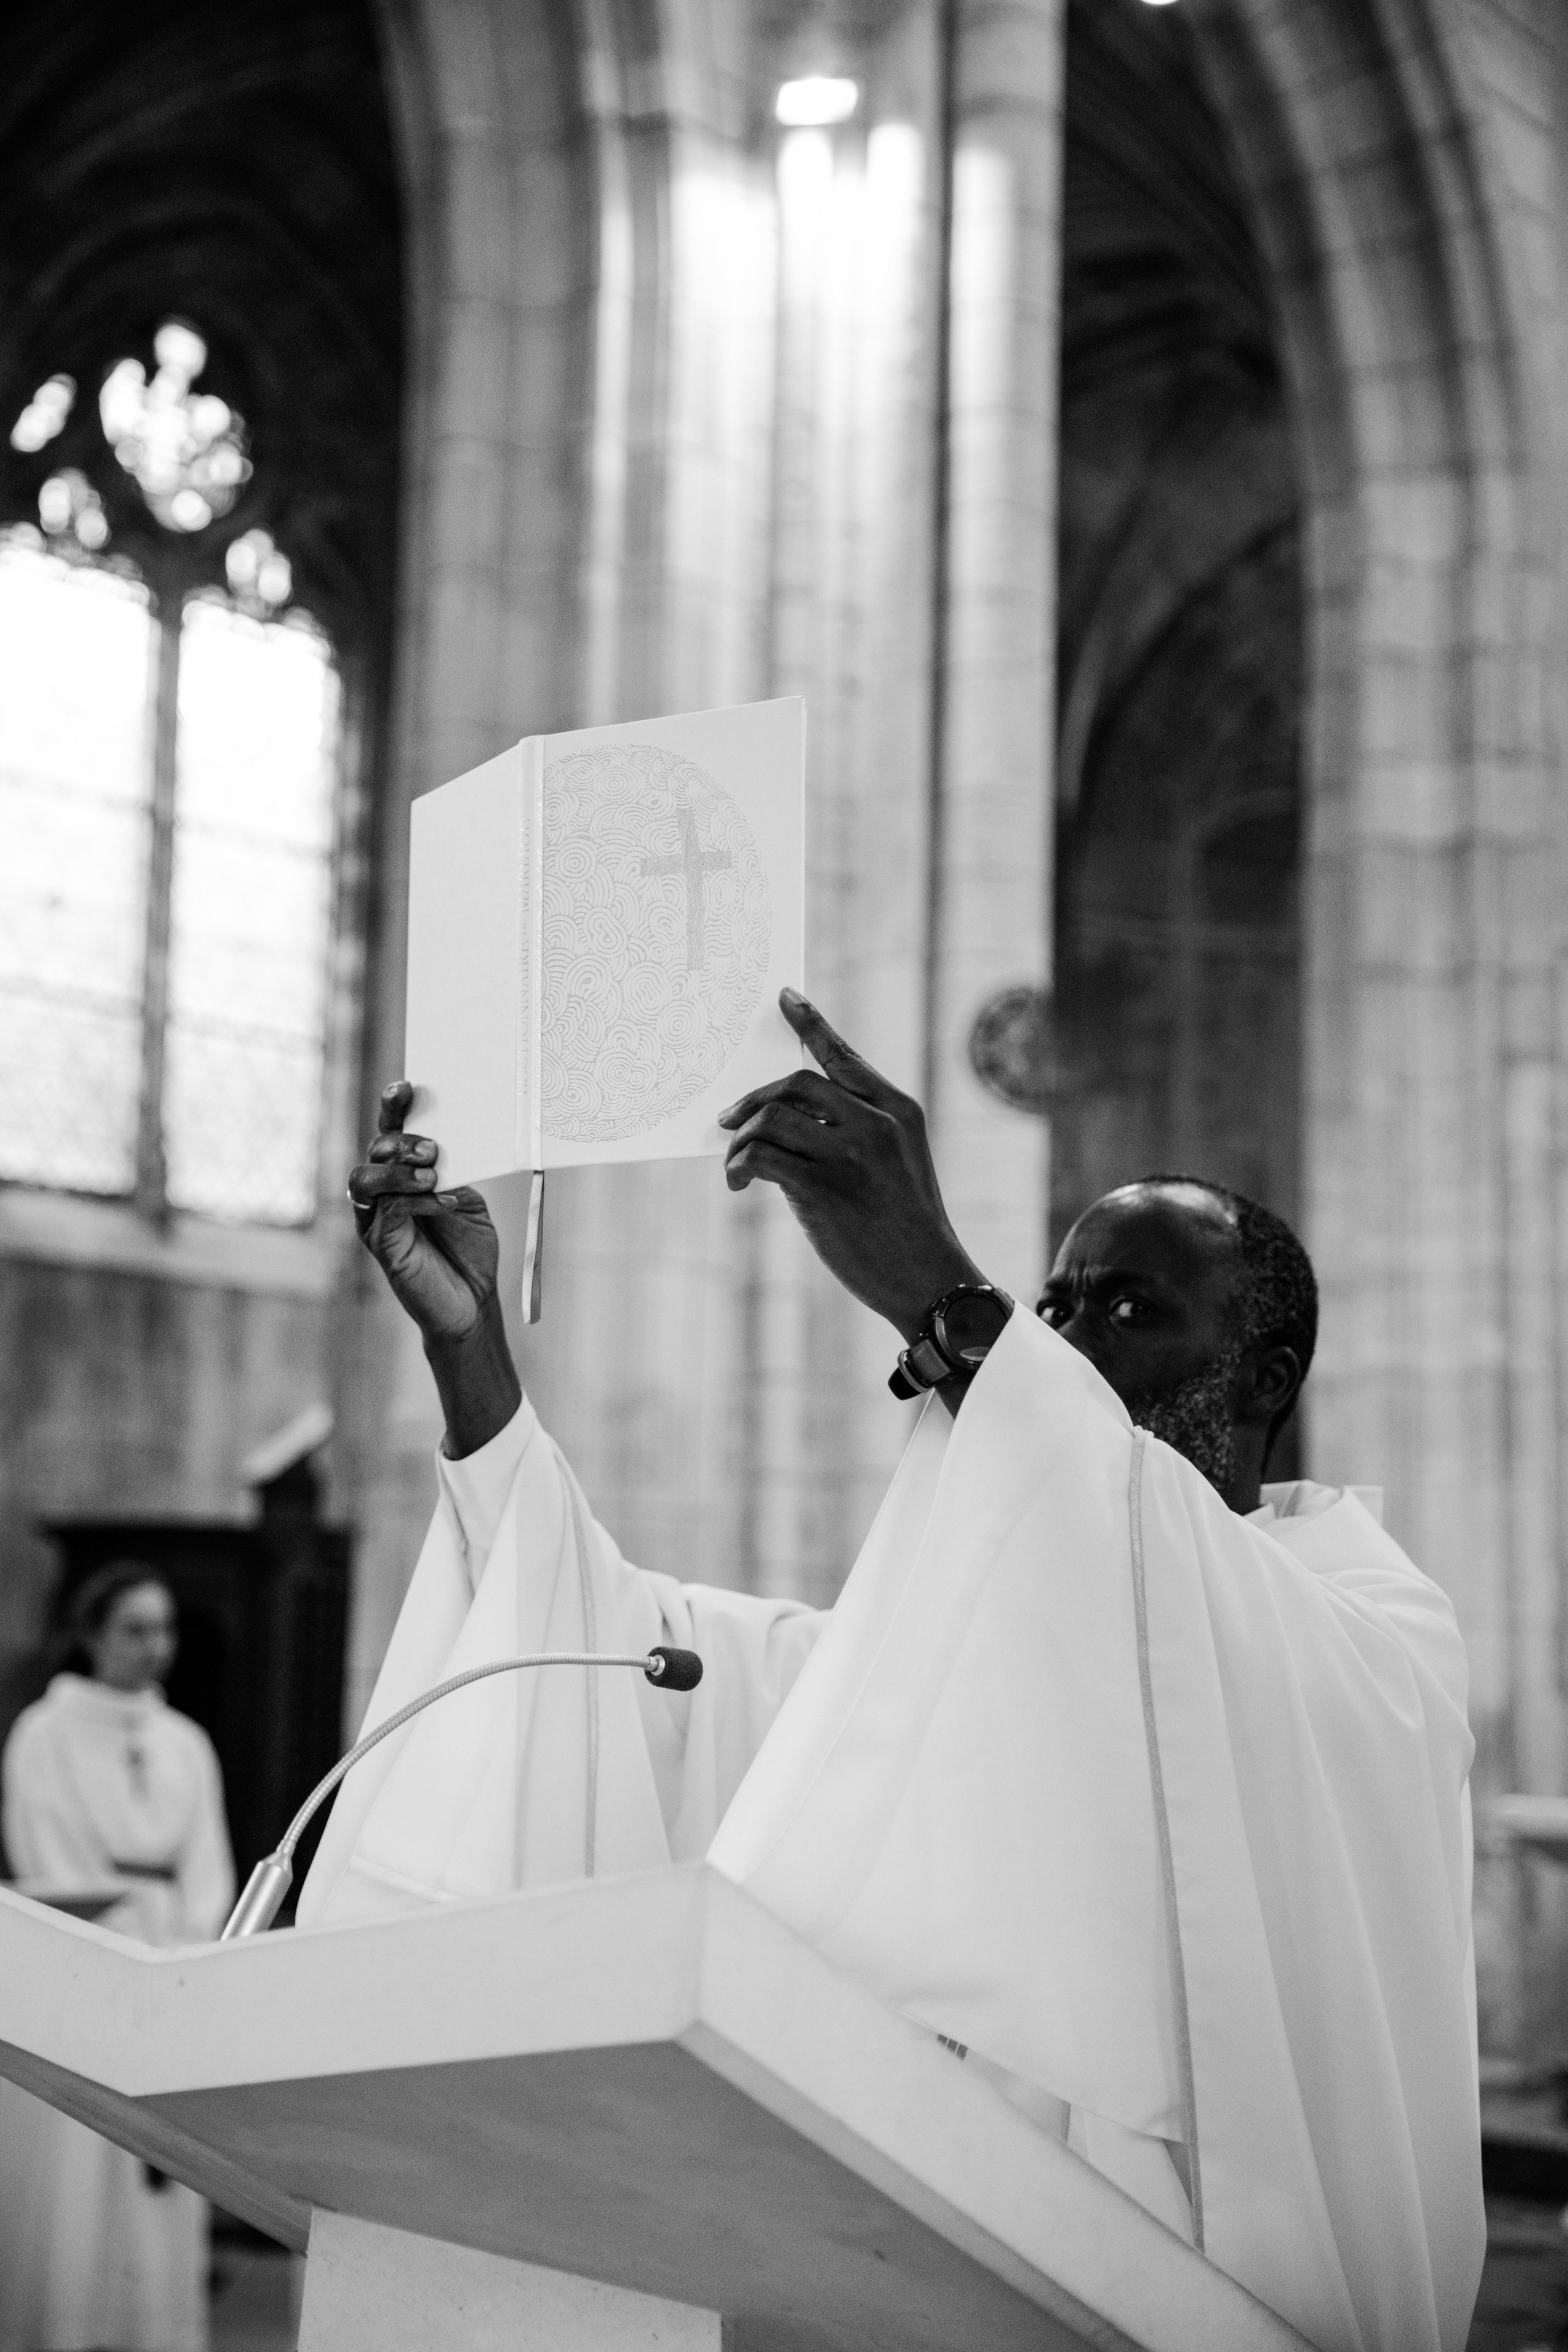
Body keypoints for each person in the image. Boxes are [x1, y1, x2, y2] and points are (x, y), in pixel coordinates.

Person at [303, 988, 1482, 2352]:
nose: (1068, 1341)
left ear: (1262, 1373)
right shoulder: (940, 1653)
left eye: (1125, 1308)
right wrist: (472, 1357)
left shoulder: (1371, 1638)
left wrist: (951, 1297)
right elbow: (633, 1661)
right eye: (1052, 1307)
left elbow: (1197, 1622)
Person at [0, 1565, 235, 2352]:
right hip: (87, 1969)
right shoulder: (46, 1731)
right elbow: (47, 1849)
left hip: (168, 1966)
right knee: (80, 2170)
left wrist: (187, 1952)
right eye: (134, 1628)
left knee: (159, 2170)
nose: (153, 1647)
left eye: (163, 1629)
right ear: (92, 1634)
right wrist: (120, 1944)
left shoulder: (187, 1741)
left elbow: (210, 1863)